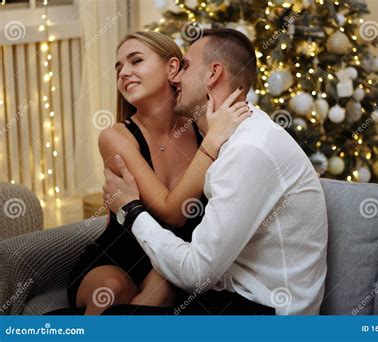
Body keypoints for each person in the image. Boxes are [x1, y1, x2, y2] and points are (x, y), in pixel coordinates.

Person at [102, 28, 328, 315]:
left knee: (115, 318)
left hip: (265, 312)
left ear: (212, 74)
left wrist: (130, 208)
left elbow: (196, 271)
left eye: (184, 66)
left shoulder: (248, 149)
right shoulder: (233, 136)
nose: (176, 77)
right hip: (229, 296)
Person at [65, 31, 251, 315]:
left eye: (135, 61)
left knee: (162, 288)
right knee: (112, 289)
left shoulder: (202, 126)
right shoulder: (116, 136)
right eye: (118, 68)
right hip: (117, 257)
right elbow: (172, 211)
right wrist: (213, 142)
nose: (124, 73)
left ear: (172, 67)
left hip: (174, 257)